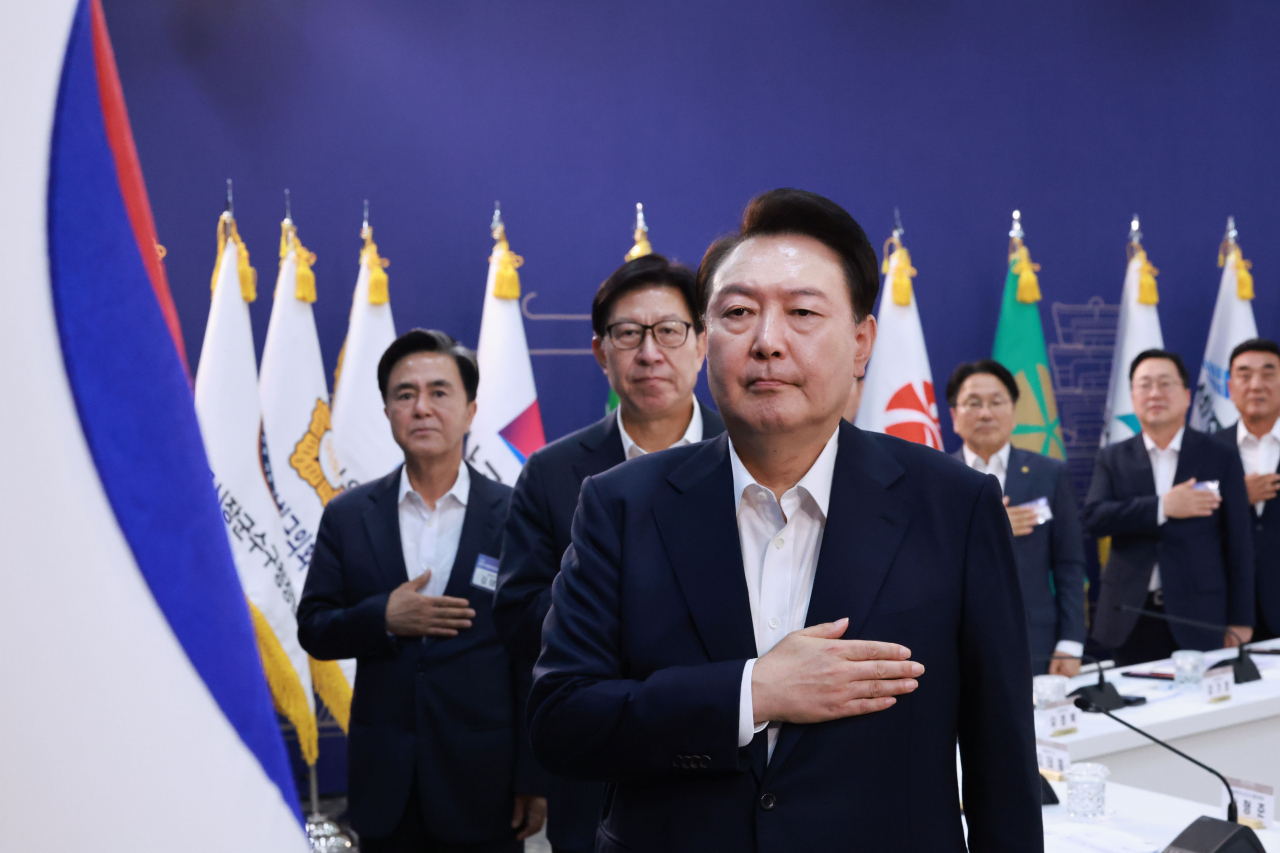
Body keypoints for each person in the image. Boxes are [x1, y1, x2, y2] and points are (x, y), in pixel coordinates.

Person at [527, 189, 1041, 852]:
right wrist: (751, 690)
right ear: (707, 342)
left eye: (802, 312)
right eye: (739, 313)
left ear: (861, 343)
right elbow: (561, 720)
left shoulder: (954, 505)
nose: (768, 342)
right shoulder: (621, 504)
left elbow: (1002, 763)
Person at [493, 253, 725, 853]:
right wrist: (624, 592)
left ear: (702, 343)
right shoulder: (549, 472)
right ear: (601, 353)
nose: (650, 353)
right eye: (629, 334)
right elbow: (518, 618)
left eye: (670, 331)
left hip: (726, 760)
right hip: (598, 767)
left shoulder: (752, 453)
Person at [298, 330, 546, 853]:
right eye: (405, 394)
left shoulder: (517, 513)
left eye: (439, 392)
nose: (422, 408)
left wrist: (533, 774)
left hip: (484, 783)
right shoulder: (347, 515)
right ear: (387, 410)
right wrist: (382, 617)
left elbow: (533, 654)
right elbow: (314, 627)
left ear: (471, 409)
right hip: (385, 784)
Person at [1084, 349, 1255, 666]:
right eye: (1144, 385)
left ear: (1187, 395)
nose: (1155, 393)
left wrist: (1241, 618)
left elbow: (1239, 544)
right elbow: (1094, 518)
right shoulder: (1113, 458)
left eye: (1165, 383)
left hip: (1201, 614)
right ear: (1132, 397)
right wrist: (1162, 506)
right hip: (1132, 613)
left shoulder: (1220, 456)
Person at [947, 359, 1086, 676]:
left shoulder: (1048, 474)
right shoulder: (935, 478)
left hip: (1035, 638)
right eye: (973, 403)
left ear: (1013, 412)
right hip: (954, 640)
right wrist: (991, 529)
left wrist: (1071, 642)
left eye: (996, 402)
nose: (985, 413)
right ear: (954, 416)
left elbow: (1070, 563)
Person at [1216, 338, 1280, 642]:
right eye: (1244, 375)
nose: (1256, 385)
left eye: (1268, 374)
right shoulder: (1205, 450)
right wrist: (1236, 500)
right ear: (1230, 387)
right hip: (1229, 614)